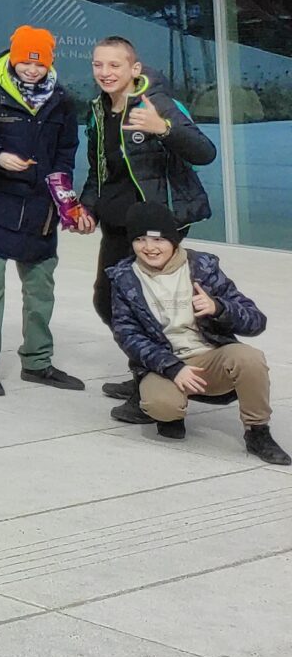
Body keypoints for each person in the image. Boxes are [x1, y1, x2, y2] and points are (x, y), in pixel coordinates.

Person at [0, 26, 87, 396]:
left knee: (41, 292)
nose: (31, 69)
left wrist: (65, 198)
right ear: (13, 57)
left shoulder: (61, 100)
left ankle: (38, 362)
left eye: (39, 63)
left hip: (39, 212)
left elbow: (65, 152)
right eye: (25, 60)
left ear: (49, 63)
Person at [84, 35, 215, 402]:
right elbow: (99, 168)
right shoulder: (97, 109)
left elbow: (205, 152)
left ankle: (158, 384)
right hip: (116, 221)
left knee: (145, 305)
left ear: (134, 68)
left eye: (114, 65)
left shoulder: (158, 103)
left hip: (155, 224)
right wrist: (87, 207)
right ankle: (149, 369)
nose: (105, 73)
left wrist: (164, 129)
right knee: (107, 299)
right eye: (98, 65)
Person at [106, 204, 287, 464]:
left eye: (158, 239)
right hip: (164, 363)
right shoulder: (124, 277)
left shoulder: (201, 267)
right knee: (163, 407)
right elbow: (128, 335)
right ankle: (170, 413)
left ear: (173, 239)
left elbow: (256, 321)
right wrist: (173, 368)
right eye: (140, 239)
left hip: (209, 356)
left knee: (249, 358)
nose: (149, 247)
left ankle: (258, 431)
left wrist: (219, 308)